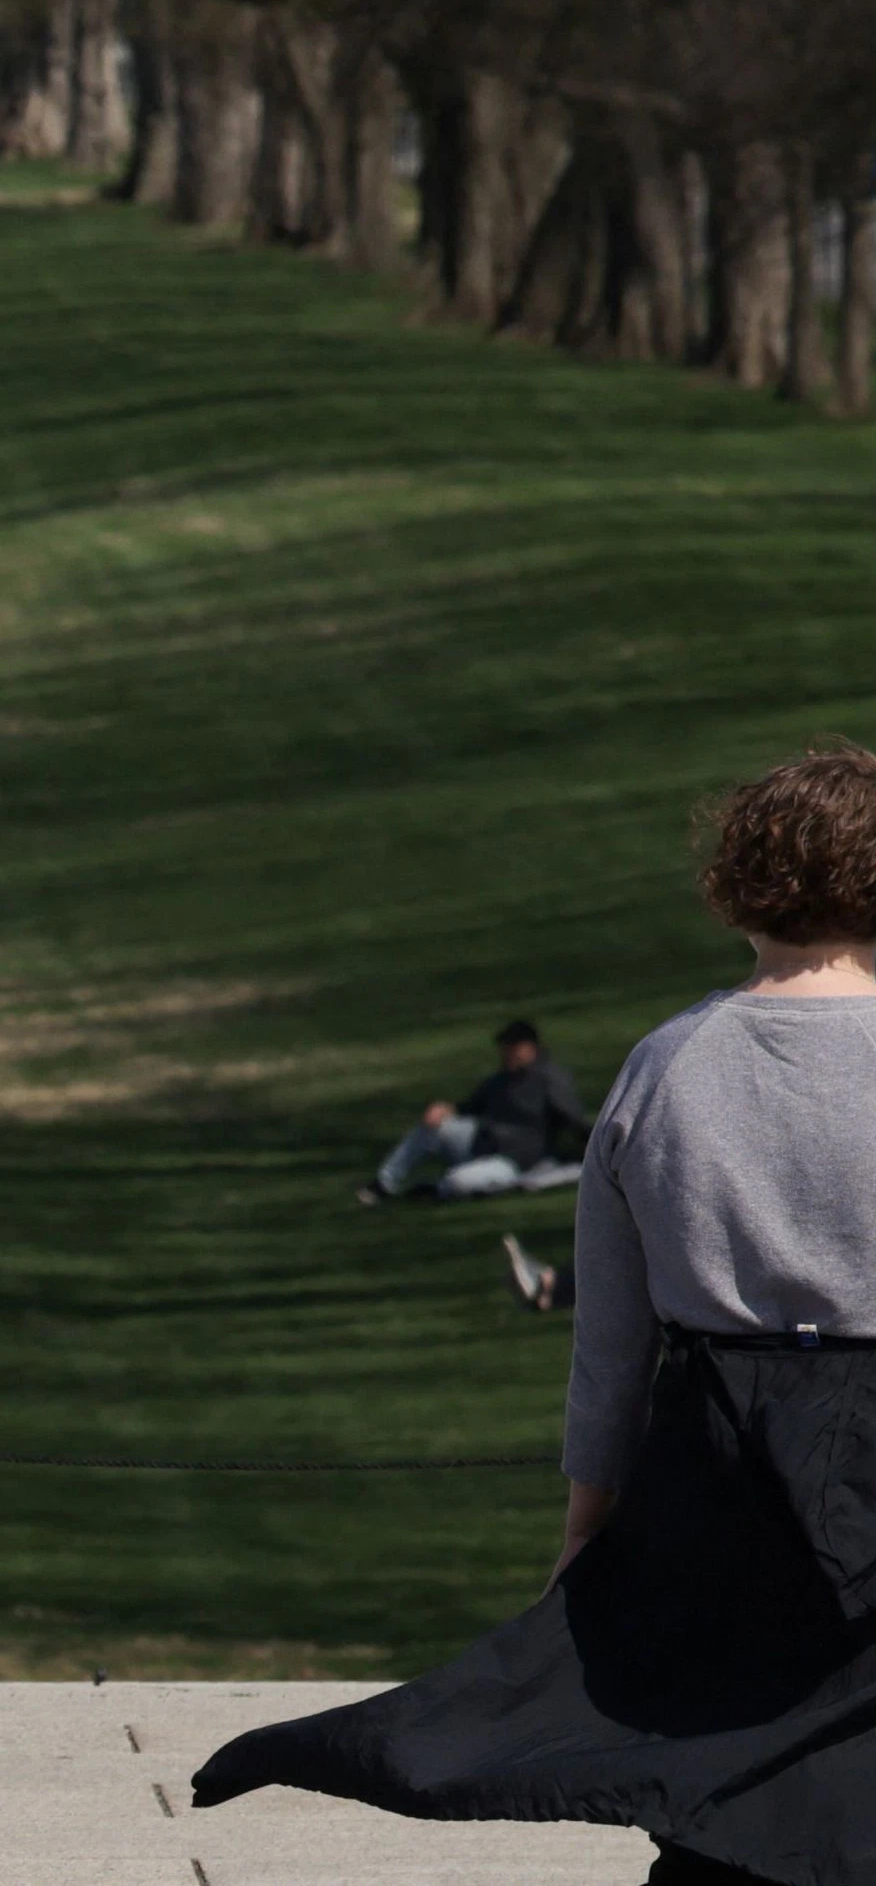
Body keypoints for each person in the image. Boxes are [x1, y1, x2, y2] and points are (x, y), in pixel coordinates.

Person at [200, 740, 876, 1880]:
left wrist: (584, 1528)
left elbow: (610, 1344)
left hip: (717, 1465)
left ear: (740, 881)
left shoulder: (667, 1067)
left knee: (713, 1777)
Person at [360, 1019, 591, 1203]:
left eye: (511, 1047)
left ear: (529, 1047)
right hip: (480, 1140)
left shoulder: (549, 1079)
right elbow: (471, 1106)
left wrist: (588, 1148)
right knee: (433, 1126)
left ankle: (434, 1189)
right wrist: (446, 1109)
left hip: (514, 1159)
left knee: (458, 1181)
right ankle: (384, 1183)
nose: (506, 1053)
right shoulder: (501, 1079)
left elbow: (572, 1117)